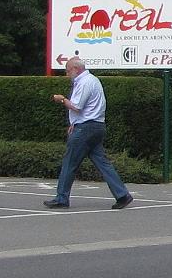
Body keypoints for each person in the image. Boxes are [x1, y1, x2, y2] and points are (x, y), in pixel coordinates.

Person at [43, 56, 133, 210]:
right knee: (102, 162)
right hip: (97, 126)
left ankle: (61, 198)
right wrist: (74, 122)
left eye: (68, 70)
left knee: (69, 162)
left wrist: (62, 99)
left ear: (76, 69)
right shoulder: (94, 80)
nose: (67, 74)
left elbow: (77, 106)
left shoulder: (84, 82)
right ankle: (122, 194)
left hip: (85, 128)